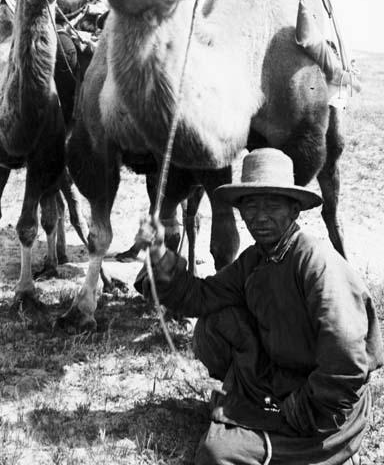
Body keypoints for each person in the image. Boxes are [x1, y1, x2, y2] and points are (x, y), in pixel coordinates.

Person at [135, 148, 383, 465]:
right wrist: (161, 257)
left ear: (295, 210)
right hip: (280, 379)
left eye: (272, 204)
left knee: (217, 454)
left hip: (328, 409)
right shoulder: (255, 259)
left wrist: (303, 409)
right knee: (216, 321)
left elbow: (346, 361)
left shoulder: (317, 264)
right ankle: (253, 405)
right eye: (250, 204)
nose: (260, 215)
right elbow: (200, 296)